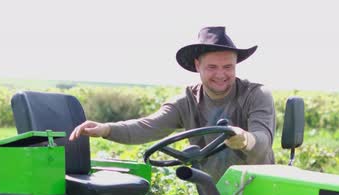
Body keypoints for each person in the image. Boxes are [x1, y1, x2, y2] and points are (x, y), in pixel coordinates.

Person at [70, 26, 276, 182]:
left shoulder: (256, 94)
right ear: (198, 65)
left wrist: (244, 139)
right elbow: (147, 126)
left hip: (259, 189)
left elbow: (263, 141)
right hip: (213, 192)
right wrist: (106, 129)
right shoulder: (186, 102)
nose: (221, 74)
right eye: (212, 67)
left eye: (228, 67)